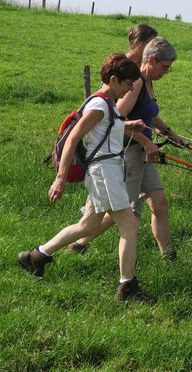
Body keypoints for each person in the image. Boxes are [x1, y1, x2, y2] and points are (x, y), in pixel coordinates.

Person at [18, 53, 155, 303]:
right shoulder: (99, 105)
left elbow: (103, 127)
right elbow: (73, 139)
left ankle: (36, 257)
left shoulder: (108, 104)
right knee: (130, 225)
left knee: (88, 226)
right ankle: (127, 287)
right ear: (114, 80)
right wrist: (60, 178)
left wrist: (127, 126)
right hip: (105, 173)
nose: (128, 91)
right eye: (126, 85)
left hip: (108, 171)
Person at [70, 37, 182, 260]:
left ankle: (168, 256)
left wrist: (170, 132)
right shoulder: (137, 82)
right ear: (150, 60)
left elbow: (150, 113)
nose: (166, 72)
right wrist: (146, 141)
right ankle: (79, 242)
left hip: (143, 154)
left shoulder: (148, 82)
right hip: (130, 152)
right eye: (164, 66)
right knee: (118, 211)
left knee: (160, 204)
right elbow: (117, 119)